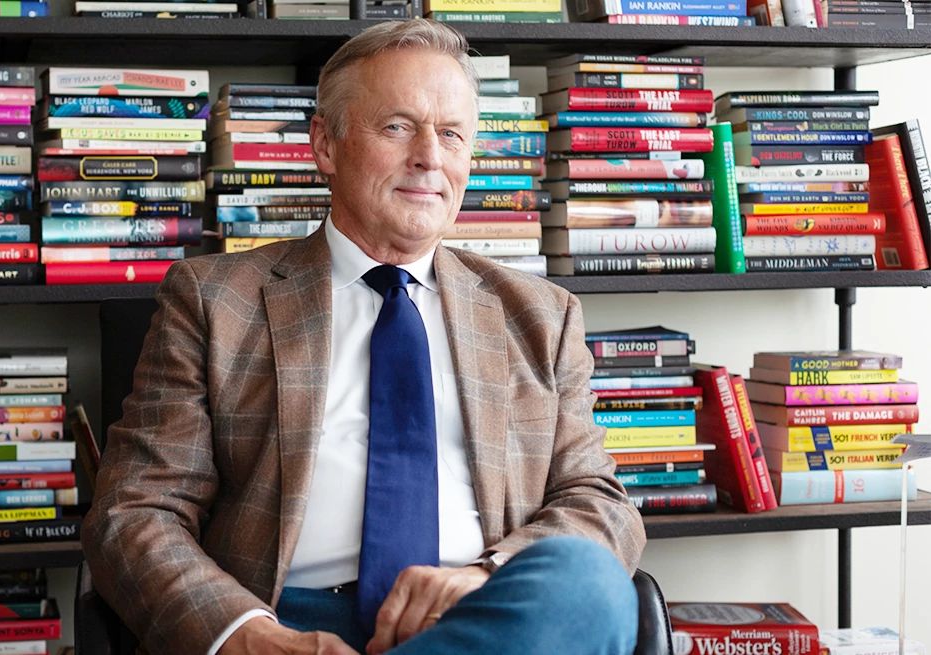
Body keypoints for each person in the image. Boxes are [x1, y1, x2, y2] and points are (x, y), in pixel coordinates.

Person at [83, 19, 647, 655]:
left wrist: (486, 577)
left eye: (452, 134)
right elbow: (136, 512)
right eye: (398, 126)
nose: (429, 156)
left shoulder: (542, 315)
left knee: (587, 581)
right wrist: (250, 638)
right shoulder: (215, 300)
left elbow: (599, 502)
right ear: (326, 144)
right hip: (287, 623)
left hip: (478, 618)